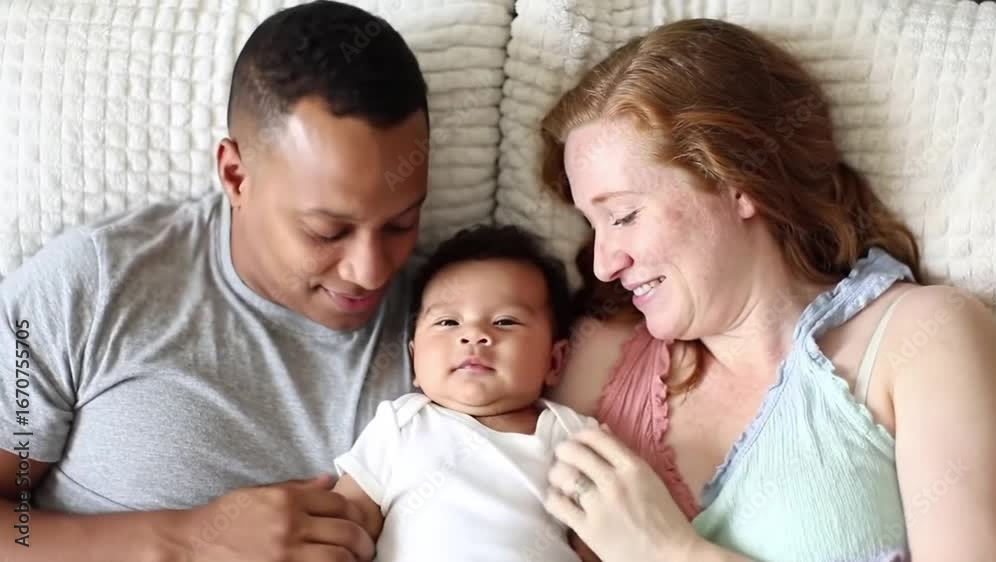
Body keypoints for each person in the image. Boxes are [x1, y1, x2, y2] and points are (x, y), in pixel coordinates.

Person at [538, 18, 996, 562]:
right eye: (593, 224)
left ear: (738, 183)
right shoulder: (596, 359)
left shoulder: (921, 339)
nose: (603, 265)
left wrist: (671, 552)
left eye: (623, 215)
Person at [0, 2, 429, 561]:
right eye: (327, 231)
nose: (370, 271)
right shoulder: (90, 287)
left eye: (401, 224)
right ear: (236, 175)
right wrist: (184, 541)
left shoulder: (455, 324)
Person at [332, 224, 600, 562]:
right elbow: (349, 518)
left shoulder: (574, 436)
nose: (473, 335)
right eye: (448, 322)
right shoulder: (400, 425)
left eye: (505, 321)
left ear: (554, 360)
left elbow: (600, 540)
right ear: (414, 358)